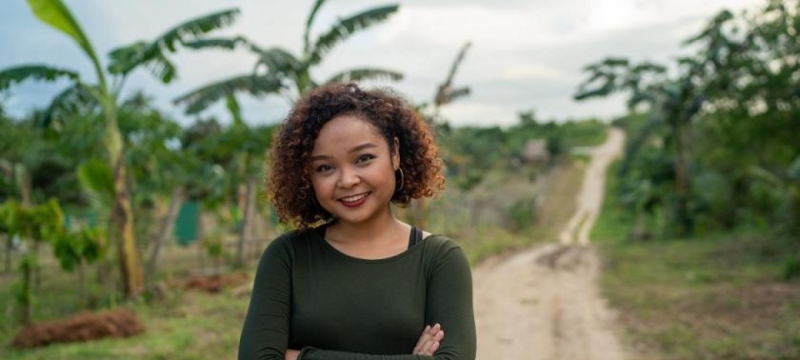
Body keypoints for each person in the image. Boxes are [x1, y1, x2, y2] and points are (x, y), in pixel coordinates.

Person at [238, 83, 476, 360]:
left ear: (395, 153)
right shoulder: (287, 257)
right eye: (325, 167)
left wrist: (300, 357)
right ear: (307, 176)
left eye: (364, 159)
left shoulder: (439, 260)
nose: (347, 180)